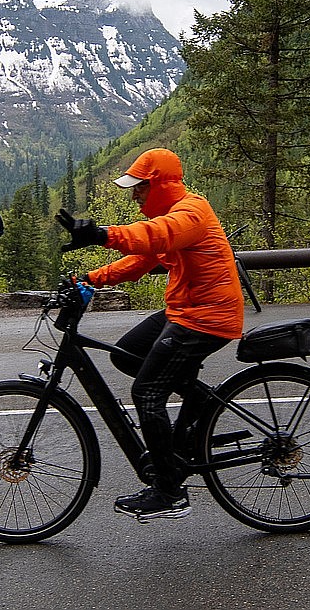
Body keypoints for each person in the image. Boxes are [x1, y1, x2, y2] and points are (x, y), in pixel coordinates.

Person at [56, 147, 244, 521]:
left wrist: (103, 233)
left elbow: (157, 236)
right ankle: (201, 401)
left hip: (208, 316)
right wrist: (90, 278)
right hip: (186, 309)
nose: (133, 195)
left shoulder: (191, 212)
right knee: (127, 354)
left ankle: (168, 490)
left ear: (159, 184)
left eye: (139, 187)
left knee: (147, 391)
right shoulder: (170, 216)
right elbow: (143, 258)